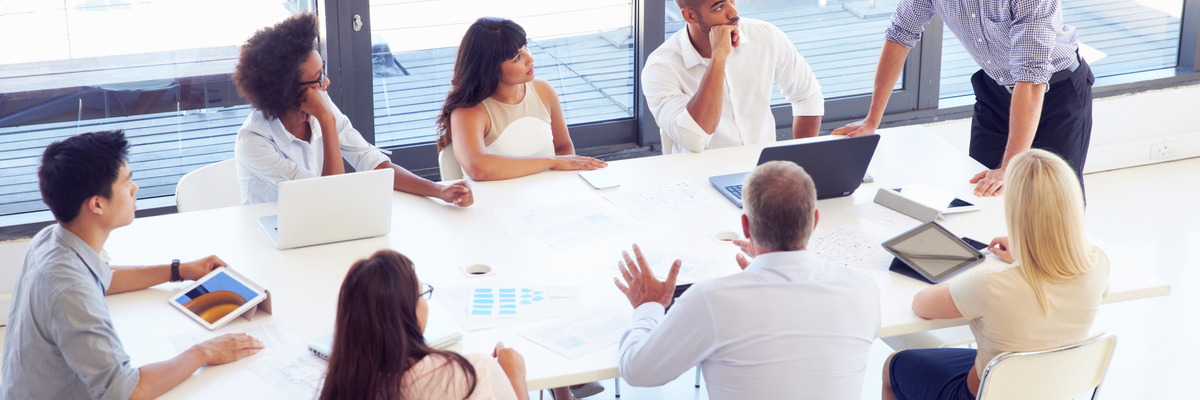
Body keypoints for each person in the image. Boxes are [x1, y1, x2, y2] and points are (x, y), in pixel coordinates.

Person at [2, 130, 264, 400]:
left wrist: (179, 270)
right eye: (127, 182)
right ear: (97, 204)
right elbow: (126, 392)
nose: (135, 189)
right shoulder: (69, 289)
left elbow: (104, 278)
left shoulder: (51, 239)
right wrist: (205, 352)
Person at [613, 161, 881, 400]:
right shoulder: (863, 289)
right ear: (814, 220)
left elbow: (637, 372)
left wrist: (648, 306)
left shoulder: (713, 300)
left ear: (745, 226)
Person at [883, 149, 1109, 400]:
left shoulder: (990, 285)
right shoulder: (1098, 262)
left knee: (894, 365)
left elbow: (921, 305)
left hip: (986, 392)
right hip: (1057, 387)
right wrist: (1028, 257)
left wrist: (968, 275)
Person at [834, 0, 1094, 198]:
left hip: (1057, 93)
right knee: (980, 189)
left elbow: (1031, 76)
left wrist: (1009, 167)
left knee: (1055, 198)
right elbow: (900, 34)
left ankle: (1060, 267)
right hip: (995, 89)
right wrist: (872, 120)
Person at [233, 13, 473, 206]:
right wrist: (326, 121)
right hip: (269, 236)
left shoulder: (321, 107)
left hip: (315, 221)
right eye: (318, 79)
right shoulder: (254, 140)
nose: (326, 83)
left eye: (323, 71)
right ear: (287, 91)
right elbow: (329, 197)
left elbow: (372, 162)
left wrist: (438, 190)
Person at [318, 249, 528, 400]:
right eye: (421, 294)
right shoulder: (472, 373)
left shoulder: (340, 387)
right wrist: (516, 377)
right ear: (409, 312)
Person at [435, 17, 607, 181]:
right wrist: (551, 162)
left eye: (526, 47)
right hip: (495, 202)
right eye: (517, 57)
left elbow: (563, 148)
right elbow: (478, 168)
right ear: (489, 69)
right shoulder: (469, 111)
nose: (530, 59)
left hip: (548, 194)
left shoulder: (543, 90)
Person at [643, 0, 825, 155]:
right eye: (719, 7)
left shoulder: (766, 36)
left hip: (764, 177)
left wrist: (801, 164)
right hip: (701, 184)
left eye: (732, 0)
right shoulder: (661, 67)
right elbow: (694, 139)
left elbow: (807, 96)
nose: (734, 12)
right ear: (690, 16)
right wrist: (718, 57)